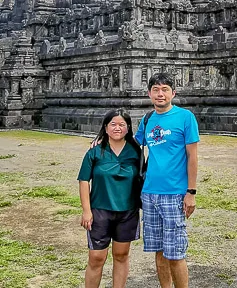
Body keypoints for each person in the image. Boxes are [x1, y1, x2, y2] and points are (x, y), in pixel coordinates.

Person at [135, 72, 199, 288]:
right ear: (149, 94)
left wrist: (191, 192)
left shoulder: (185, 117)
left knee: (175, 253)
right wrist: (101, 140)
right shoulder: (147, 120)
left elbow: (192, 156)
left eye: (164, 89)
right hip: (149, 193)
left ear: (173, 93)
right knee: (159, 250)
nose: (160, 94)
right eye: (155, 89)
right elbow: (131, 147)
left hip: (175, 194)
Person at [78, 109, 141, 288]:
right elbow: (84, 181)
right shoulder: (95, 152)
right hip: (100, 210)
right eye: (113, 124)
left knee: (121, 255)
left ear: (128, 128)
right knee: (96, 257)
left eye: (122, 124)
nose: (117, 128)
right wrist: (86, 210)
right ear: (105, 128)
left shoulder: (135, 152)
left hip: (127, 211)